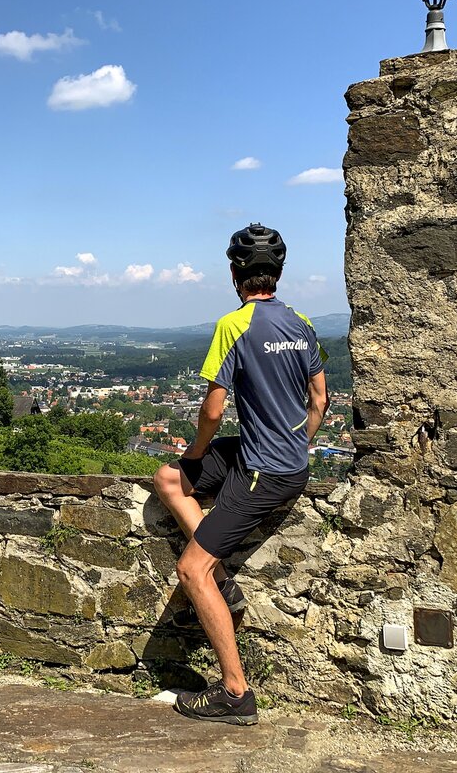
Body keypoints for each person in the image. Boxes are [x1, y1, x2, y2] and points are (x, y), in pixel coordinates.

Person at [153, 222, 329, 724]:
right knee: (169, 479)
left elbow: (213, 411)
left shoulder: (234, 325)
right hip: (281, 460)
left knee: (191, 570)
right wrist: (297, 443)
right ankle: (225, 579)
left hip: (263, 471)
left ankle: (234, 692)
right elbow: (319, 400)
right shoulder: (301, 322)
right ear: (278, 274)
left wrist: (196, 452)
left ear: (235, 275)